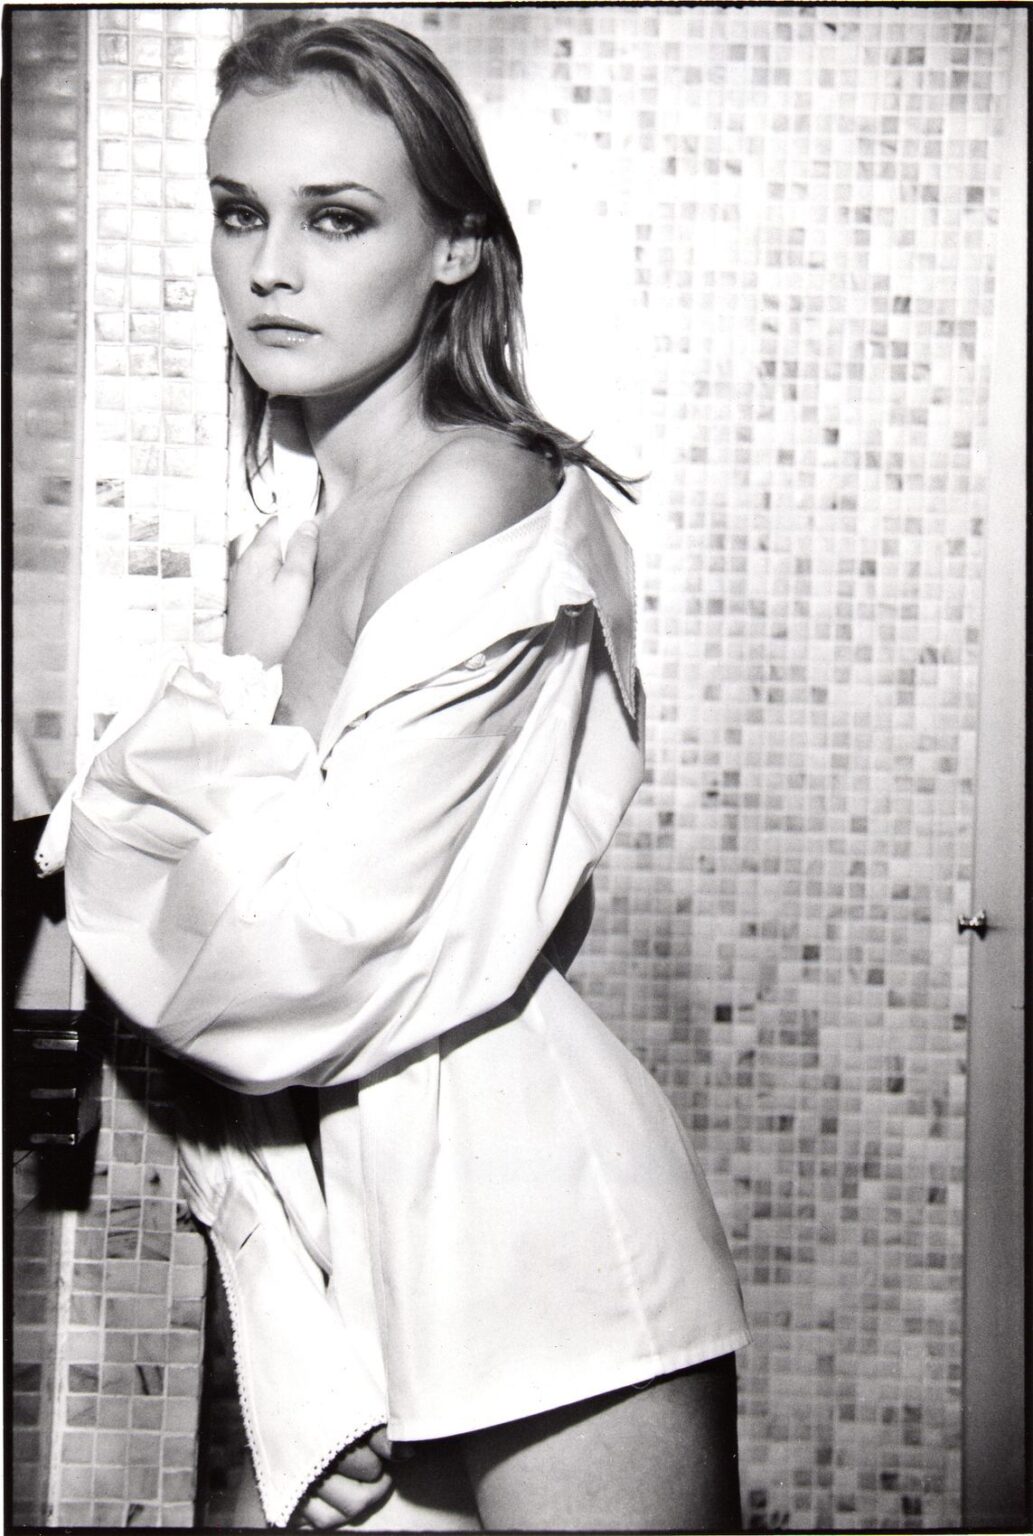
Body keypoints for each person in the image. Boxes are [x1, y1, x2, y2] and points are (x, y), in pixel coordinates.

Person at [37, 17, 750, 1531]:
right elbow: (197, 944)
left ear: (454, 249)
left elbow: (296, 963)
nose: (270, 268)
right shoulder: (299, 535)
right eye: (240, 213)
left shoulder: (474, 490)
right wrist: (292, 1310)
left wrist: (228, 708)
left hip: (529, 1218)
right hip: (350, 1224)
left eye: (338, 218)